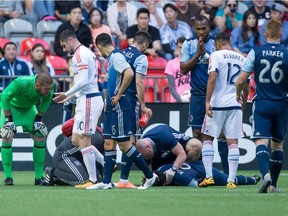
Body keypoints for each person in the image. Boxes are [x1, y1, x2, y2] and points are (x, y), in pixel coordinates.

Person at [87, 33, 157, 190]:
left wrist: (118, 95)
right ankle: (106, 182)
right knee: (109, 143)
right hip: (113, 105)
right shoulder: (116, 56)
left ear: (99, 47)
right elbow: (112, 80)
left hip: (121, 104)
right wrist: (108, 99)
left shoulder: (118, 55)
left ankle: (150, 176)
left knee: (125, 145)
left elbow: (130, 74)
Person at [236, 19, 288, 193]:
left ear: (265, 34)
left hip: (262, 102)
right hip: (282, 104)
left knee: (261, 142)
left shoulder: (256, 52)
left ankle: (265, 175)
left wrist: (238, 93)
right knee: (278, 145)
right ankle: (273, 185)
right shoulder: (287, 53)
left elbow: (241, 80)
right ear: (281, 34)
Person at [53, 30, 104, 188]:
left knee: (84, 140)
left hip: (89, 100)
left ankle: (93, 180)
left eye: (63, 45)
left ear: (70, 40)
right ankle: (107, 163)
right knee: (76, 140)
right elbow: (85, 81)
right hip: (85, 99)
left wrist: (67, 94)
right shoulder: (84, 52)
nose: (64, 49)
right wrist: (69, 97)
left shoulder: (80, 54)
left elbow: (82, 81)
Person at [199, 32, 246, 189]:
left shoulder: (216, 55)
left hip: (218, 103)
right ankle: (231, 180)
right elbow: (246, 85)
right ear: (229, 42)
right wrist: (243, 105)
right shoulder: (242, 58)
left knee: (207, 138)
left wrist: (207, 101)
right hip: (235, 104)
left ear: (217, 45)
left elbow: (212, 77)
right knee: (233, 142)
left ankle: (209, 177)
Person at [0, 73, 54, 185]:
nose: (49, 91)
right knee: (7, 136)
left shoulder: (49, 86)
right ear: (37, 85)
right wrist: (8, 120)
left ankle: (39, 178)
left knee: (40, 136)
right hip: (12, 108)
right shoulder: (21, 83)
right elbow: (4, 96)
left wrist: (38, 119)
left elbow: (46, 101)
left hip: (29, 109)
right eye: (46, 89)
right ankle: (8, 177)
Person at [118, 31, 153, 188]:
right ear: (145, 45)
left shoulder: (119, 54)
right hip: (131, 101)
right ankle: (144, 176)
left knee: (124, 140)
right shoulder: (141, 57)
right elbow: (139, 82)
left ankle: (123, 180)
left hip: (116, 100)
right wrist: (144, 105)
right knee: (131, 140)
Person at [180, 15, 215, 141]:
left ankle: (208, 160)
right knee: (196, 133)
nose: (201, 32)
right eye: (198, 28)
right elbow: (183, 69)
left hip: (214, 95)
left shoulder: (215, 43)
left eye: (204, 28)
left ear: (209, 28)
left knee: (212, 134)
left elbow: (220, 68)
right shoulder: (188, 44)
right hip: (197, 94)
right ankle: (198, 161)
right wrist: (197, 55)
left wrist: (204, 53)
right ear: (194, 29)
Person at [44, 118, 104, 186]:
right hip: (64, 155)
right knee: (83, 180)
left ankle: (63, 180)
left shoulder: (98, 136)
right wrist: (105, 165)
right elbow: (93, 154)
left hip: (77, 155)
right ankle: (52, 173)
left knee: (95, 180)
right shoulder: (97, 138)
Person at [136, 124, 202, 185]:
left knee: (196, 145)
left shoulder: (163, 135)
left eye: (147, 156)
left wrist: (173, 170)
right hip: (162, 158)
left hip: (177, 152)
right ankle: (169, 176)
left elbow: (182, 154)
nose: (146, 158)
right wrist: (149, 176)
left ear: (148, 146)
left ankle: (185, 171)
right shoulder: (143, 147)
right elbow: (148, 168)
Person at [154, 161, 261, 187]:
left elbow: (196, 184)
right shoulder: (162, 167)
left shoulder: (184, 179)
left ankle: (252, 179)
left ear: (165, 184)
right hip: (195, 163)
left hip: (203, 170)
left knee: (227, 180)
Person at [164, 36, 190, 103]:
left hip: (192, 99)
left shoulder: (193, 62)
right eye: (180, 47)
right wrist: (180, 100)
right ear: (176, 48)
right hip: (176, 101)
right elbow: (171, 86)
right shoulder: (171, 64)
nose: (182, 50)